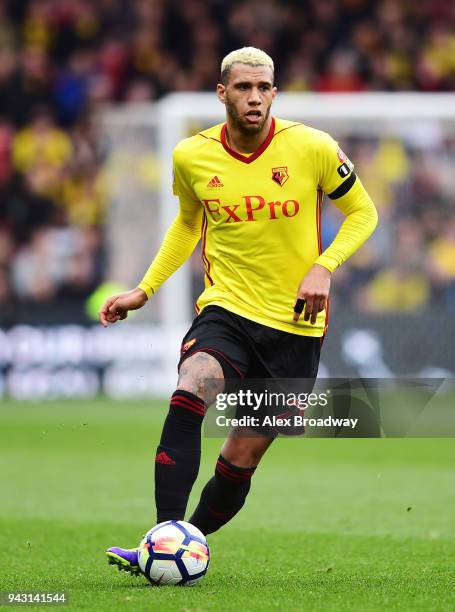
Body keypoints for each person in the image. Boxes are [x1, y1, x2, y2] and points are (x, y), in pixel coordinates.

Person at [100, 47, 378, 574]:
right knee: (192, 385)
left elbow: (364, 213)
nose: (255, 97)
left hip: (296, 326)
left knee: (240, 458)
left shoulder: (313, 147)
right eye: (245, 88)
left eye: (265, 88)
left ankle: (185, 544)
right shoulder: (191, 156)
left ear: (274, 92)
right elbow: (188, 224)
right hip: (226, 308)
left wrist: (325, 265)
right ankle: (163, 534)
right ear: (222, 93)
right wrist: (146, 289)